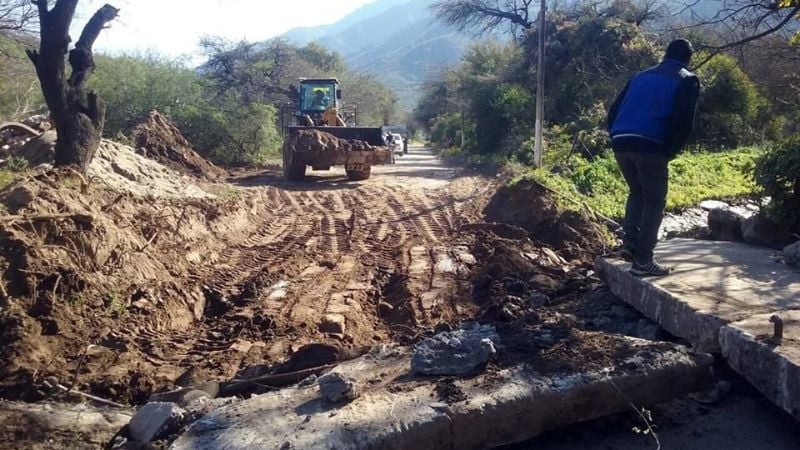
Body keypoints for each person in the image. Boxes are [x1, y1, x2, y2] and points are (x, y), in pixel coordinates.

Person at [607, 39, 700, 277]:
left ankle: (629, 244)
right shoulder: (687, 79)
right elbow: (684, 123)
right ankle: (643, 260)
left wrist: (615, 134)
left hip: (621, 140)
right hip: (650, 144)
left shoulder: (640, 76)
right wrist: (668, 151)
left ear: (665, 54)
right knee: (655, 200)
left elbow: (614, 110)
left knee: (637, 191)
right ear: (688, 59)